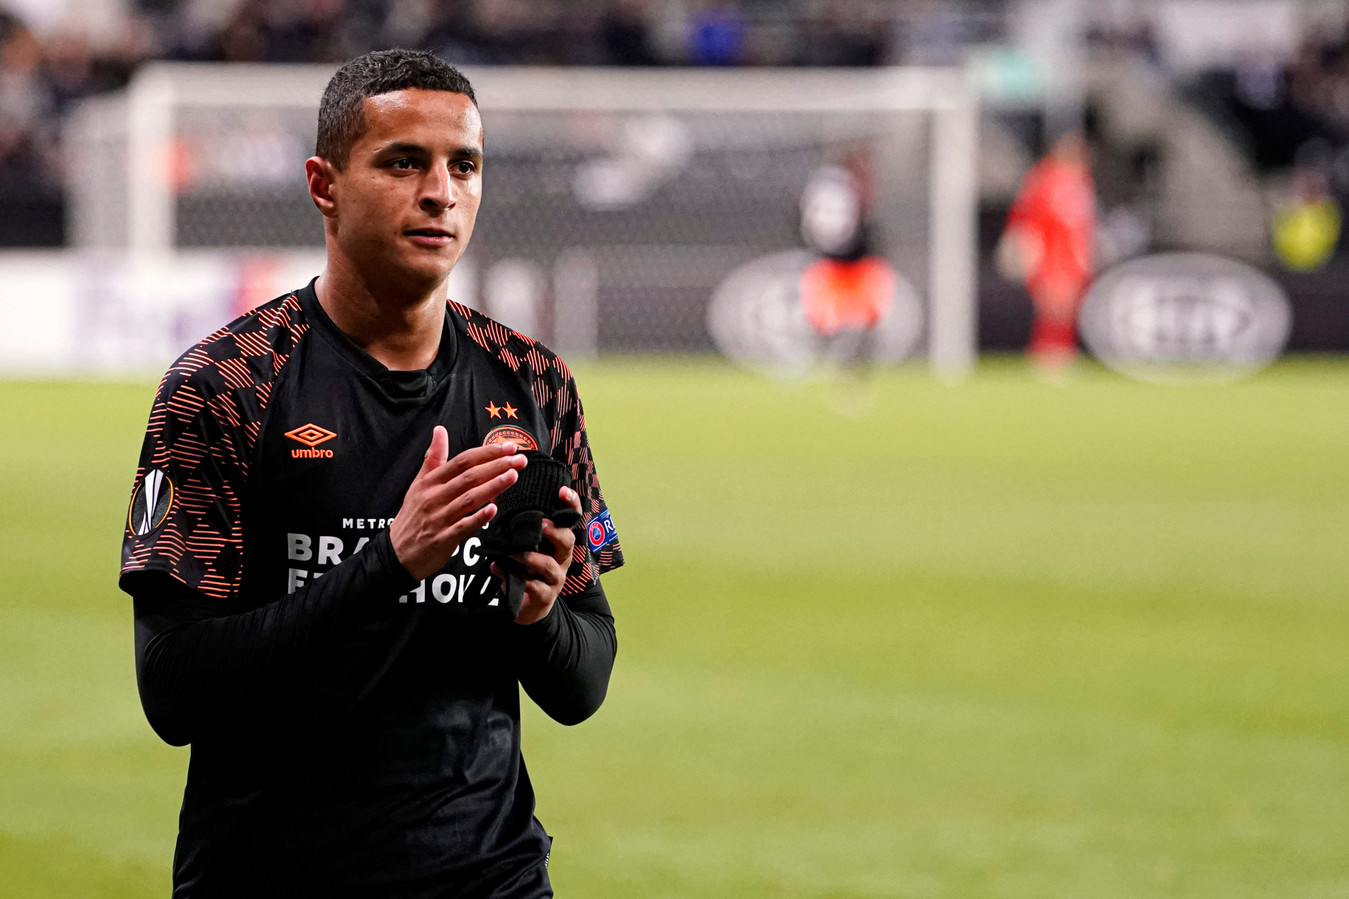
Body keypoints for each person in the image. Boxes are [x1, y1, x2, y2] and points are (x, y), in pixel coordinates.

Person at [118, 49, 623, 898]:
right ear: (324, 185)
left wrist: (536, 616)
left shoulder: (534, 382)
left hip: (489, 874)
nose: (441, 192)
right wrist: (390, 561)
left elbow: (584, 681)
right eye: (403, 162)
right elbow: (173, 692)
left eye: (464, 165)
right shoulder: (225, 384)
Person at [997, 131, 1097, 374]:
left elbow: (1083, 225)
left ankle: (1060, 354)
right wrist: (1027, 251)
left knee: (1066, 309)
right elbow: (1027, 221)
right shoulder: (1042, 179)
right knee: (1052, 307)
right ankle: (1047, 355)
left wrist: (1083, 252)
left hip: (1071, 257)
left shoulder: (1081, 182)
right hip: (1051, 257)